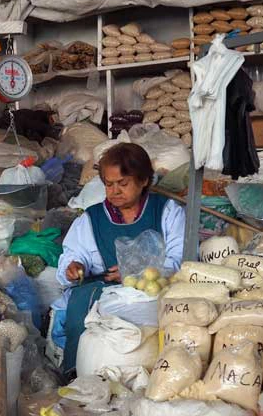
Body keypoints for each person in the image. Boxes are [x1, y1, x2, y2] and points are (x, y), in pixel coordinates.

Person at [54, 142, 185, 376]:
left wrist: (138, 275)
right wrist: (74, 266)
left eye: (123, 184)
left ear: (144, 180)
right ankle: (77, 376)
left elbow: (179, 259)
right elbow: (74, 252)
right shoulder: (91, 218)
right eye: (109, 184)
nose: (115, 191)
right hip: (103, 290)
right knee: (79, 308)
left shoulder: (167, 211)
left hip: (154, 291)